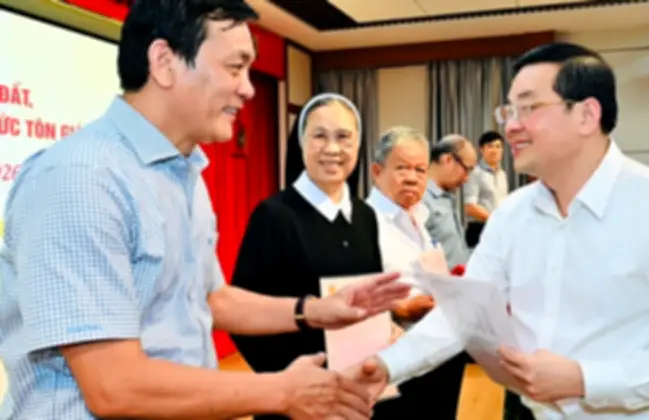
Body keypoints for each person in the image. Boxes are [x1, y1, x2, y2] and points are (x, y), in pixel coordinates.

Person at [0, 2, 406, 419]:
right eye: (235, 67)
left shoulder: (184, 174)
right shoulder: (80, 179)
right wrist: (283, 392)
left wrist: (316, 311)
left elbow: (212, 299)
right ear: (165, 62)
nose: (248, 89)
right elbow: (113, 386)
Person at [345, 42, 649, 420]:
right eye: (508, 111)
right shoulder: (512, 215)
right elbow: (463, 316)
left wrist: (584, 379)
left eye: (529, 108)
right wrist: (386, 365)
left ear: (586, 115)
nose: (511, 127)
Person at [231, 92, 401, 420]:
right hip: (298, 401)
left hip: (359, 391)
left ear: (358, 144)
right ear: (301, 143)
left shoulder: (365, 216)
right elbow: (242, 315)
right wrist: (287, 386)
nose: (332, 149)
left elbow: (370, 297)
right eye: (319, 136)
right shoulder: (274, 216)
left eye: (343, 137)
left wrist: (387, 329)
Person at [365, 126, 465, 419]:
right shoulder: (364, 223)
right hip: (396, 363)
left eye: (420, 170)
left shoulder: (420, 216)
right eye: (402, 168)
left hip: (438, 355)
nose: (412, 177)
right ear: (376, 171)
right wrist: (401, 308)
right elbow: (351, 292)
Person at [423, 135, 478, 269]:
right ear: (447, 160)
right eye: (467, 169)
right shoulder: (420, 200)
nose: (466, 179)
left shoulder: (447, 198)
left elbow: (455, 251)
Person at [463, 130, 509, 248]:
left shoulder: (503, 175)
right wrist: (495, 220)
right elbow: (470, 207)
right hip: (479, 230)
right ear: (482, 149)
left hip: (499, 230)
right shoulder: (474, 173)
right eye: (490, 146)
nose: (495, 150)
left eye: (498, 147)